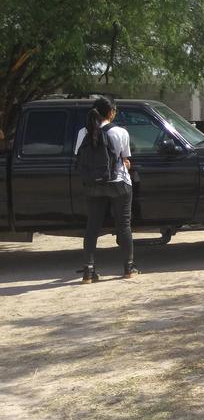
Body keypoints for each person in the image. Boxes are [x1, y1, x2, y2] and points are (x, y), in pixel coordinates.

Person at [74, 96, 137, 282]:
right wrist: (126, 164)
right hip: (118, 183)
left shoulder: (82, 132)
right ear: (111, 112)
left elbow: (80, 157)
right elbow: (125, 160)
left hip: (93, 184)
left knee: (92, 226)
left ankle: (88, 271)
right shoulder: (120, 132)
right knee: (123, 225)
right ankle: (128, 268)